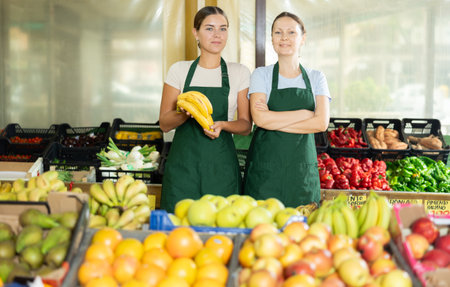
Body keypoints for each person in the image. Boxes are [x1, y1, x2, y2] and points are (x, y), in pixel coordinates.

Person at [159, 6, 252, 213]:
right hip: (184, 169)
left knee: (222, 229)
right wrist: (184, 114)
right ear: (196, 33)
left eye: (223, 28)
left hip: (222, 168)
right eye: (209, 28)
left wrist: (223, 124)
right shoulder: (179, 70)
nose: (217, 35)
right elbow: (164, 123)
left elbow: (245, 125)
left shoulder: (239, 72)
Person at [243, 12, 330, 207]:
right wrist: (304, 114)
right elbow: (260, 120)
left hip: (301, 174)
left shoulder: (317, 77)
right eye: (278, 32)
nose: (284, 37)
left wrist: (273, 119)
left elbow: (321, 123)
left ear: (302, 38)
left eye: (291, 32)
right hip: (265, 174)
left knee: (301, 232)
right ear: (272, 38)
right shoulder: (261, 75)